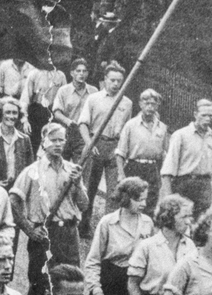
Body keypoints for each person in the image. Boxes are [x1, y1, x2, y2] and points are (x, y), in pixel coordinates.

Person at [11, 123, 88, 295]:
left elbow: (84, 204)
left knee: (70, 283)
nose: (57, 144)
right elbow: (14, 200)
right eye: (53, 140)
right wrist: (29, 229)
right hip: (44, 233)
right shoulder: (32, 171)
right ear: (44, 142)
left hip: (69, 234)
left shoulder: (73, 171)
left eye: (61, 140)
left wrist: (78, 183)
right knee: (39, 285)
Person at [83, 176, 154, 295]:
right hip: (109, 283)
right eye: (139, 200)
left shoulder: (148, 223)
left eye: (145, 199)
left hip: (134, 286)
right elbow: (93, 260)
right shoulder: (107, 223)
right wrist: (95, 288)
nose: (144, 204)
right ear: (126, 198)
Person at [77, 61, 133, 228]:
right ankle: (84, 225)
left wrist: (123, 151)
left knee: (114, 192)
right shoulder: (93, 99)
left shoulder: (127, 103)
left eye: (119, 81)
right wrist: (89, 143)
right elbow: (83, 124)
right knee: (89, 188)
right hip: (96, 143)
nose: (115, 84)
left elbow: (127, 130)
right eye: (112, 80)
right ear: (105, 80)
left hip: (115, 147)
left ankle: (107, 230)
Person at [159, 98, 212, 217]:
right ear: (195, 114)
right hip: (184, 184)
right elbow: (168, 168)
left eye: (210, 116)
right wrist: (169, 196)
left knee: (201, 225)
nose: (207, 119)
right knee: (180, 220)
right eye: (204, 115)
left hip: (204, 186)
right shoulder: (181, 135)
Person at [115, 89, 168, 211]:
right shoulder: (131, 125)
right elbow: (120, 152)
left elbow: (164, 154)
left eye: (153, 104)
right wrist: (121, 174)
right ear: (140, 104)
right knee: (131, 202)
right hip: (134, 167)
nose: (150, 107)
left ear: (157, 106)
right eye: (147, 103)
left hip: (153, 169)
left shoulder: (162, 128)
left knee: (150, 203)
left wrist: (162, 175)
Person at [50, 58, 97, 163]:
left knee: (79, 167)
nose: (81, 74)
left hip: (83, 135)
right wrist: (68, 122)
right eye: (78, 71)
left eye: (84, 71)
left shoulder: (94, 91)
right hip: (66, 133)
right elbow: (56, 112)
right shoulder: (63, 90)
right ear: (72, 73)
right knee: (61, 165)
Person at [0, 98, 33, 191]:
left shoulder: (24, 139)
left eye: (14, 113)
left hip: (18, 190)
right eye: (8, 112)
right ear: (0, 114)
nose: (11, 116)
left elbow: (31, 169)